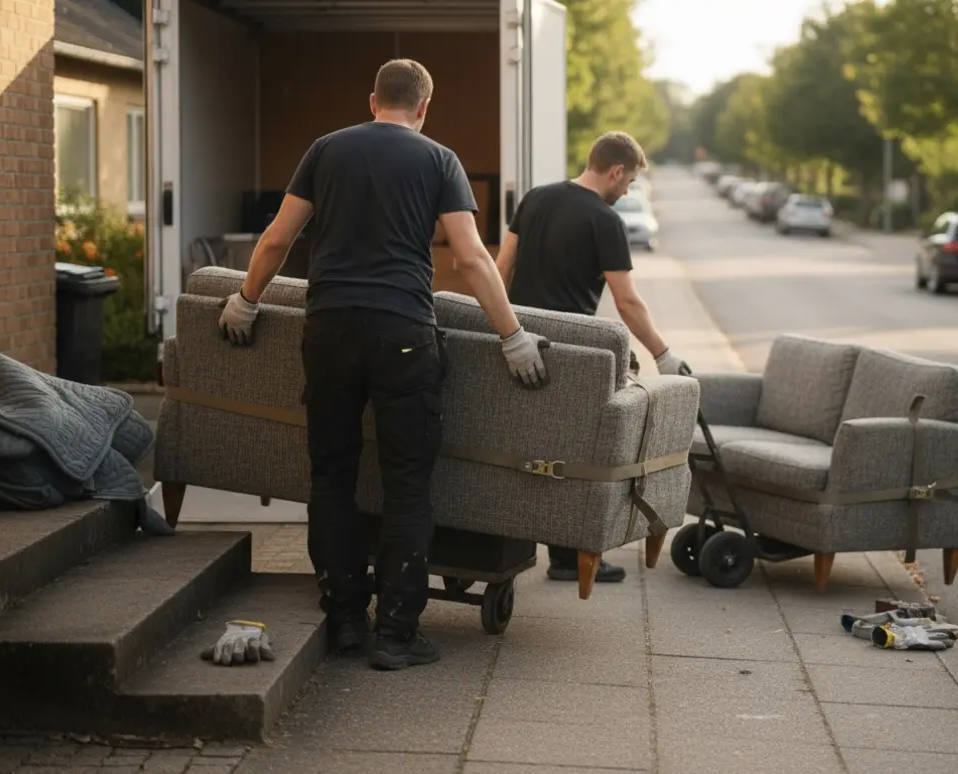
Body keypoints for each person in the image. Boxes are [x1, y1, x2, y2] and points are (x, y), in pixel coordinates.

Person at [218, 59, 549, 671]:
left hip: (330, 330)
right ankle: (396, 634)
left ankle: (344, 620)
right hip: (402, 334)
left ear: (373, 101)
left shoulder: (326, 149)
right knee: (406, 487)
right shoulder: (439, 159)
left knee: (331, 479)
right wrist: (514, 336)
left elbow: (276, 239)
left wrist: (245, 300)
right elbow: (474, 259)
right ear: (424, 108)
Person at [494, 131, 687, 585]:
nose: (628, 191)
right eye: (630, 181)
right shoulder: (605, 221)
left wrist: (497, 330)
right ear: (616, 171)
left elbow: (501, 267)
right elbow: (627, 302)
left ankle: (505, 543)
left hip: (519, 341)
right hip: (569, 354)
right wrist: (663, 354)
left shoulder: (536, 199)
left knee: (514, 446)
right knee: (571, 458)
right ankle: (566, 559)